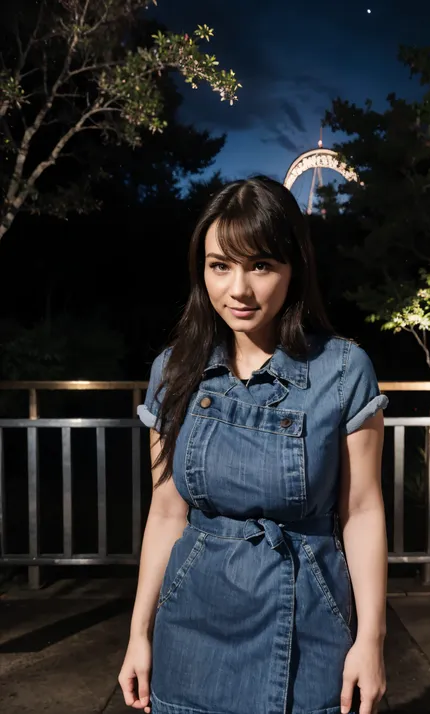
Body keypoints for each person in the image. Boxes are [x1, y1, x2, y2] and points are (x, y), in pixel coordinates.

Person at [118, 176, 389, 714]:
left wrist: (372, 640)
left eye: (260, 265)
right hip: (192, 623)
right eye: (220, 265)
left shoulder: (343, 369)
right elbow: (167, 513)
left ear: (295, 270)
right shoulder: (173, 371)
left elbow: (361, 511)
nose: (238, 289)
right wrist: (138, 632)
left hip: (309, 620)